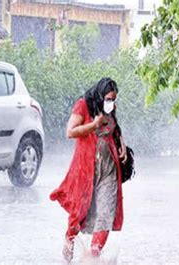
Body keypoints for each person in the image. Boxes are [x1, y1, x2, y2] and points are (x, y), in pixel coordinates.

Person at [50, 78, 127, 262]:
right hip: (86, 169)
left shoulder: (110, 109)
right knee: (80, 212)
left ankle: (94, 256)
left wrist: (122, 143)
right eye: (108, 99)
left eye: (114, 99)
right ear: (100, 95)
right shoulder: (83, 105)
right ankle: (68, 248)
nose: (111, 103)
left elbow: (115, 129)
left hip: (108, 169)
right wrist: (94, 125)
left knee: (106, 213)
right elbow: (70, 132)